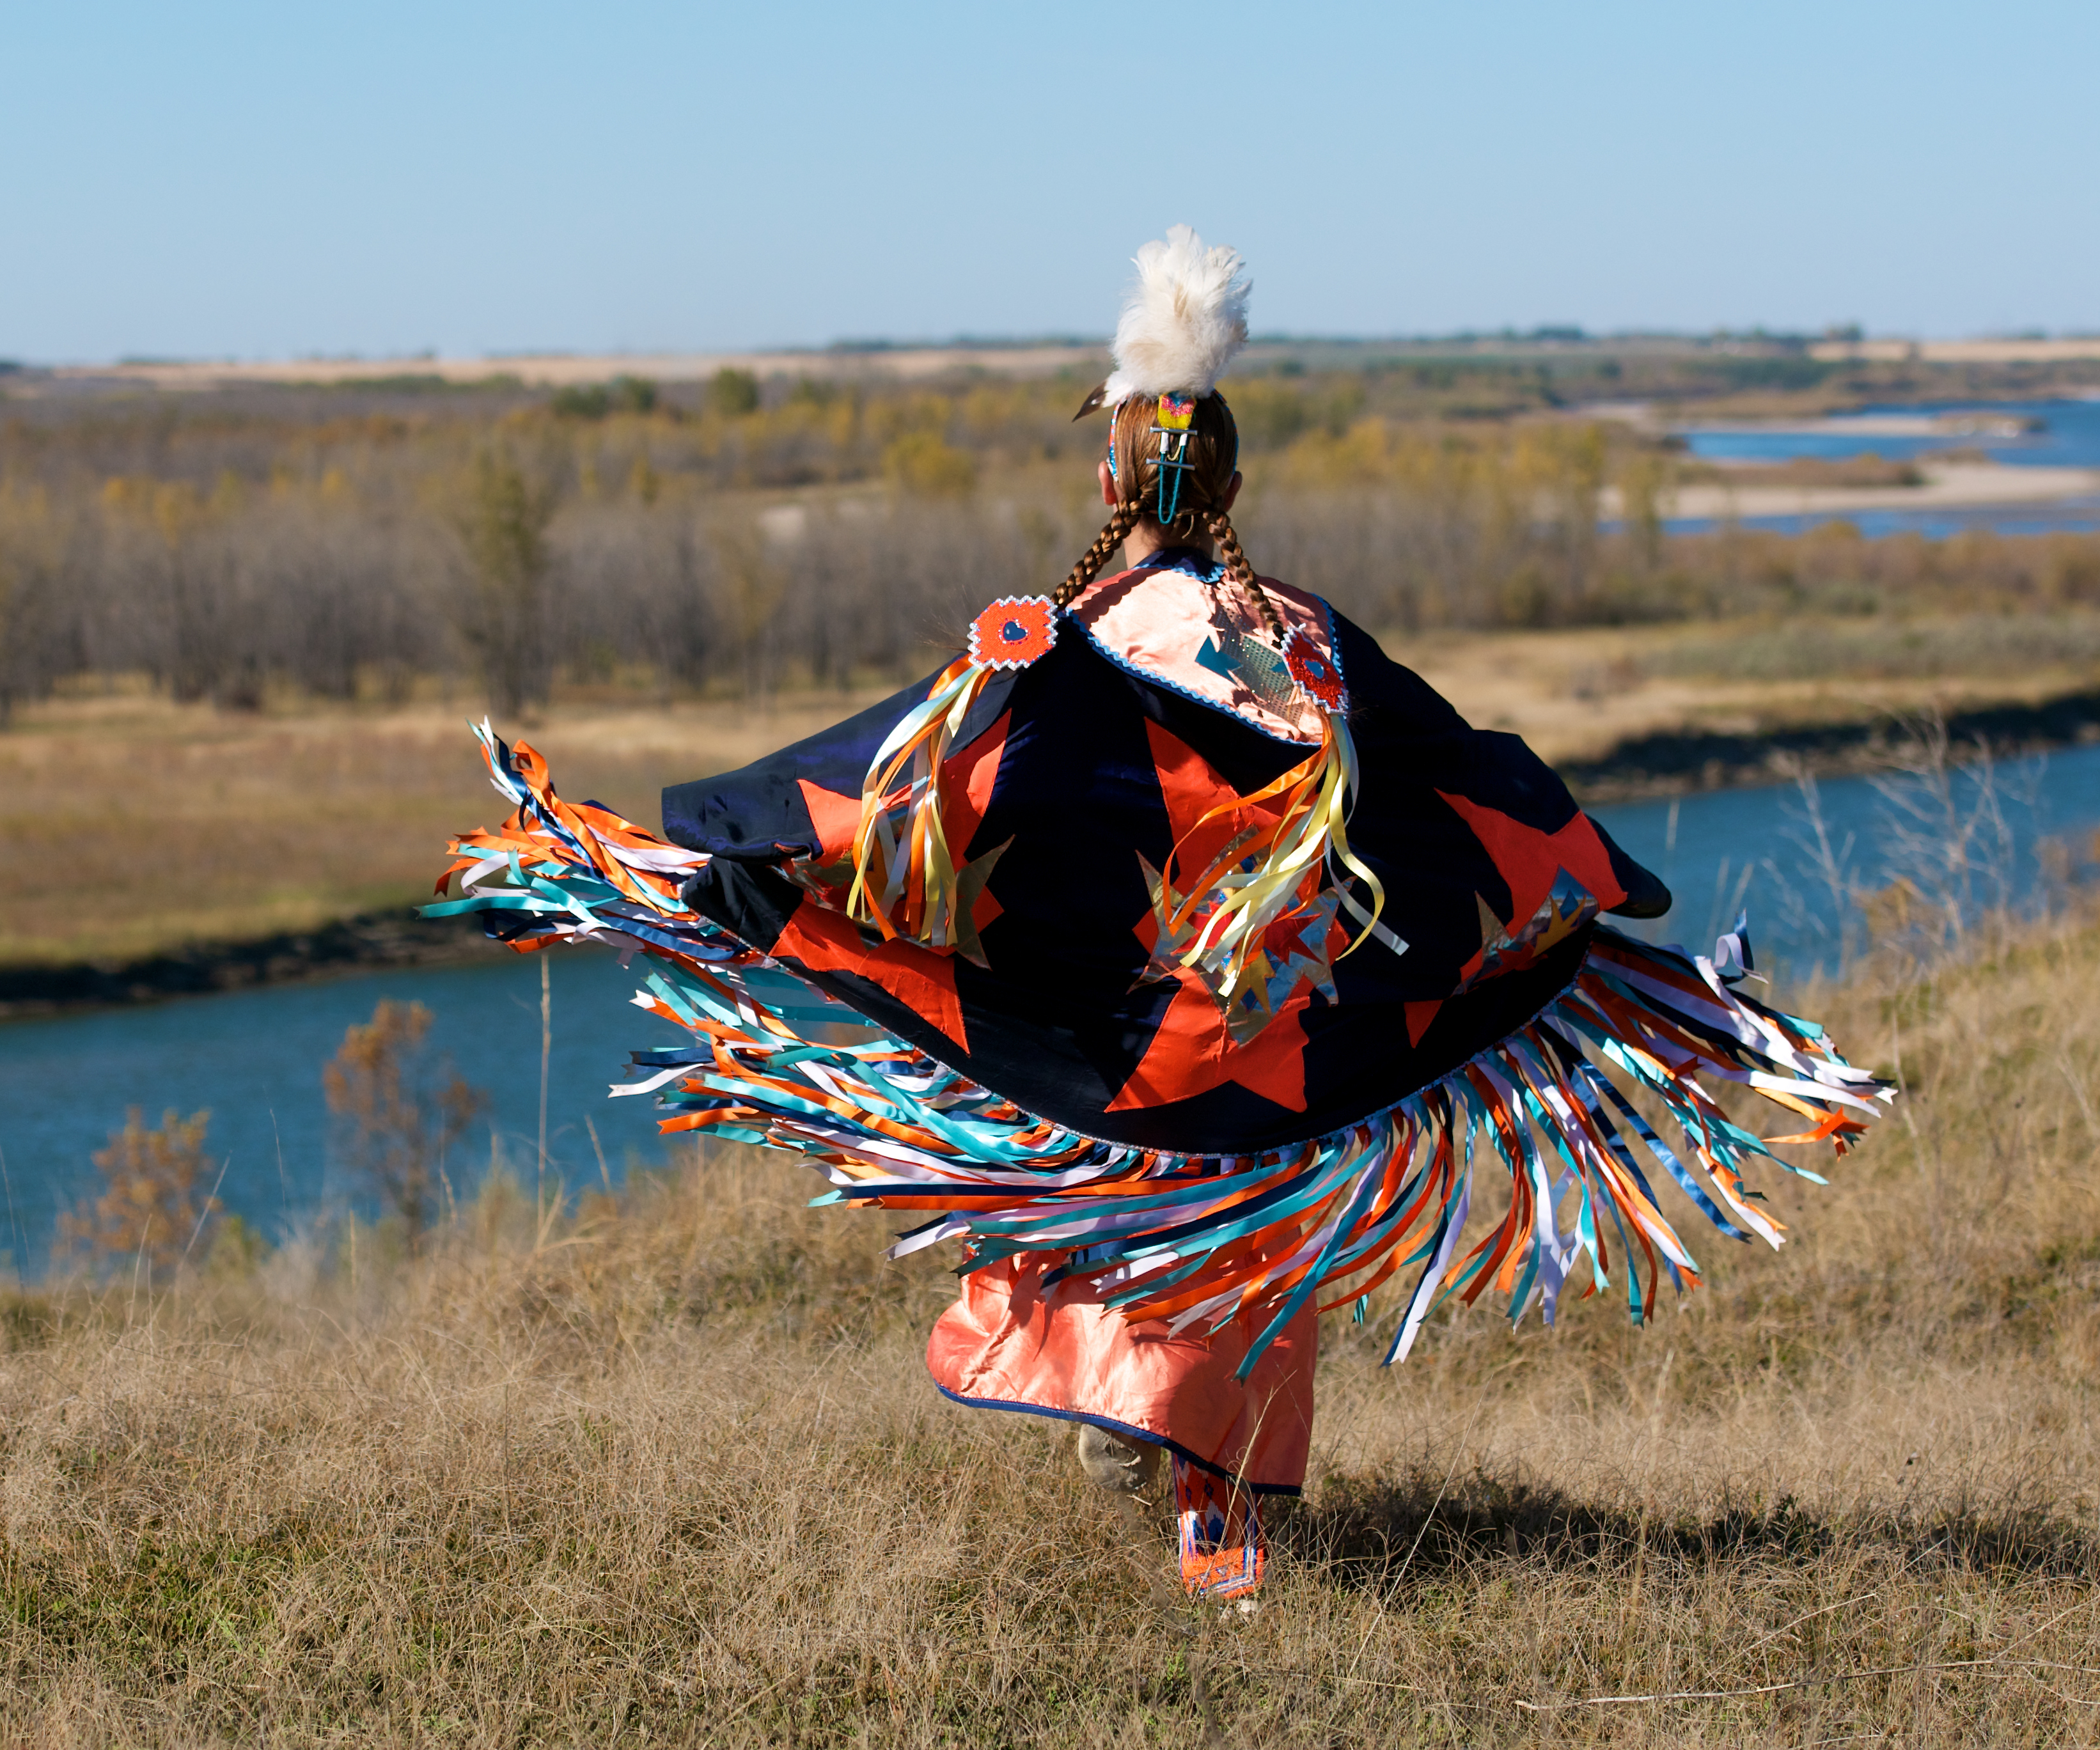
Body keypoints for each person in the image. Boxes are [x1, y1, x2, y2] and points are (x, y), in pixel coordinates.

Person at [430, 227, 1889, 1601]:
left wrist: (747, 851)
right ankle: (1217, 1507)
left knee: (1114, 1213)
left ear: (1117, 474)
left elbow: (906, 798)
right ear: (1227, 479)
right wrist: (1576, 899)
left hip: (1112, 1046)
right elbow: (1457, 788)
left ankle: (1142, 1446)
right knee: (1244, 1243)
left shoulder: (1059, 651)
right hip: (1281, 1055)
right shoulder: (1307, 640)